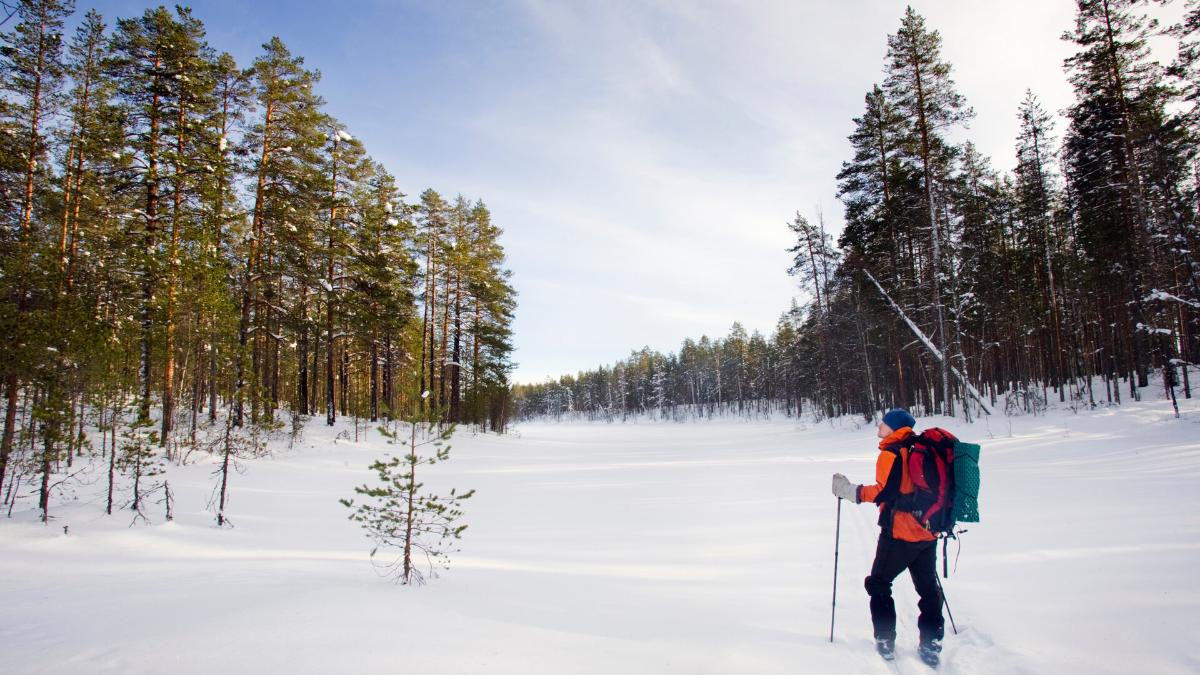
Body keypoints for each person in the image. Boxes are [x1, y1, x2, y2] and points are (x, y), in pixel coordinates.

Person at [832, 408, 944, 667]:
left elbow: (884, 492)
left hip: (900, 533)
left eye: (882, 424)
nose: (878, 427)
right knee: (928, 589)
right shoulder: (920, 447)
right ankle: (932, 645)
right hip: (928, 532)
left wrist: (851, 491)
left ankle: (885, 640)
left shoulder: (891, 452)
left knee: (879, 584)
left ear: (894, 427)